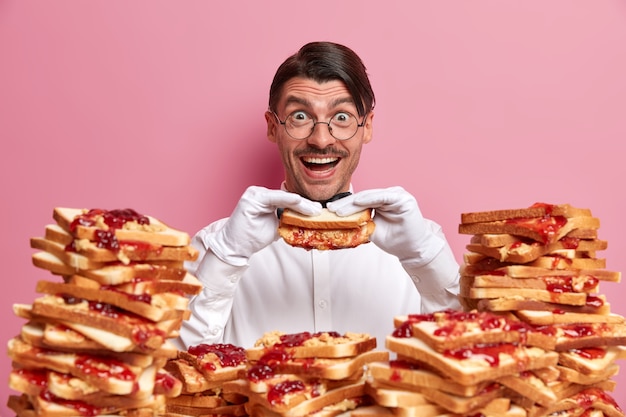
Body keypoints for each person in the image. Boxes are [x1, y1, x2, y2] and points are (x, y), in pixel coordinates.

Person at [178, 41, 460, 349]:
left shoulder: (420, 243)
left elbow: (468, 357)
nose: (321, 140)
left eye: (341, 117)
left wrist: (425, 259)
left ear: (366, 127)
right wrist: (226, 258)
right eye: (300, 116)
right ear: (273, 127)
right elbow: (174, 370)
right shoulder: (214, 247)